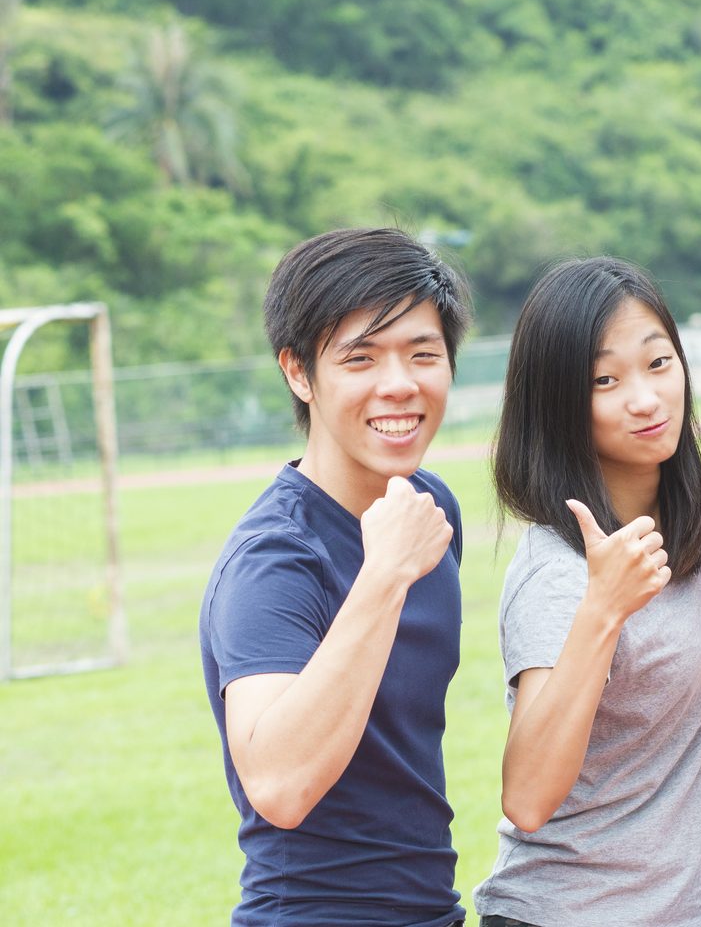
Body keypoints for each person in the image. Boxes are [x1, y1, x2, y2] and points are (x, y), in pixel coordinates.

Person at [198, 227, 473, 926]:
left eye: (423, 354)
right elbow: (279, 785)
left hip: (430, 909)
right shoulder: (274, 559)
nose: (400, 384)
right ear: (298, 372)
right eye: (360, 358)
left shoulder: (428, 508)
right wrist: (383, 576)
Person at [471, 258, 701, 927]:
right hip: (565, 912)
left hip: (686, 912)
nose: (645, 399)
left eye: (658, 363)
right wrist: (603, 609)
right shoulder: (560, 573)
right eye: (604, 380)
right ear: (556, 402)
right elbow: (527, 798)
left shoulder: (688, 516)